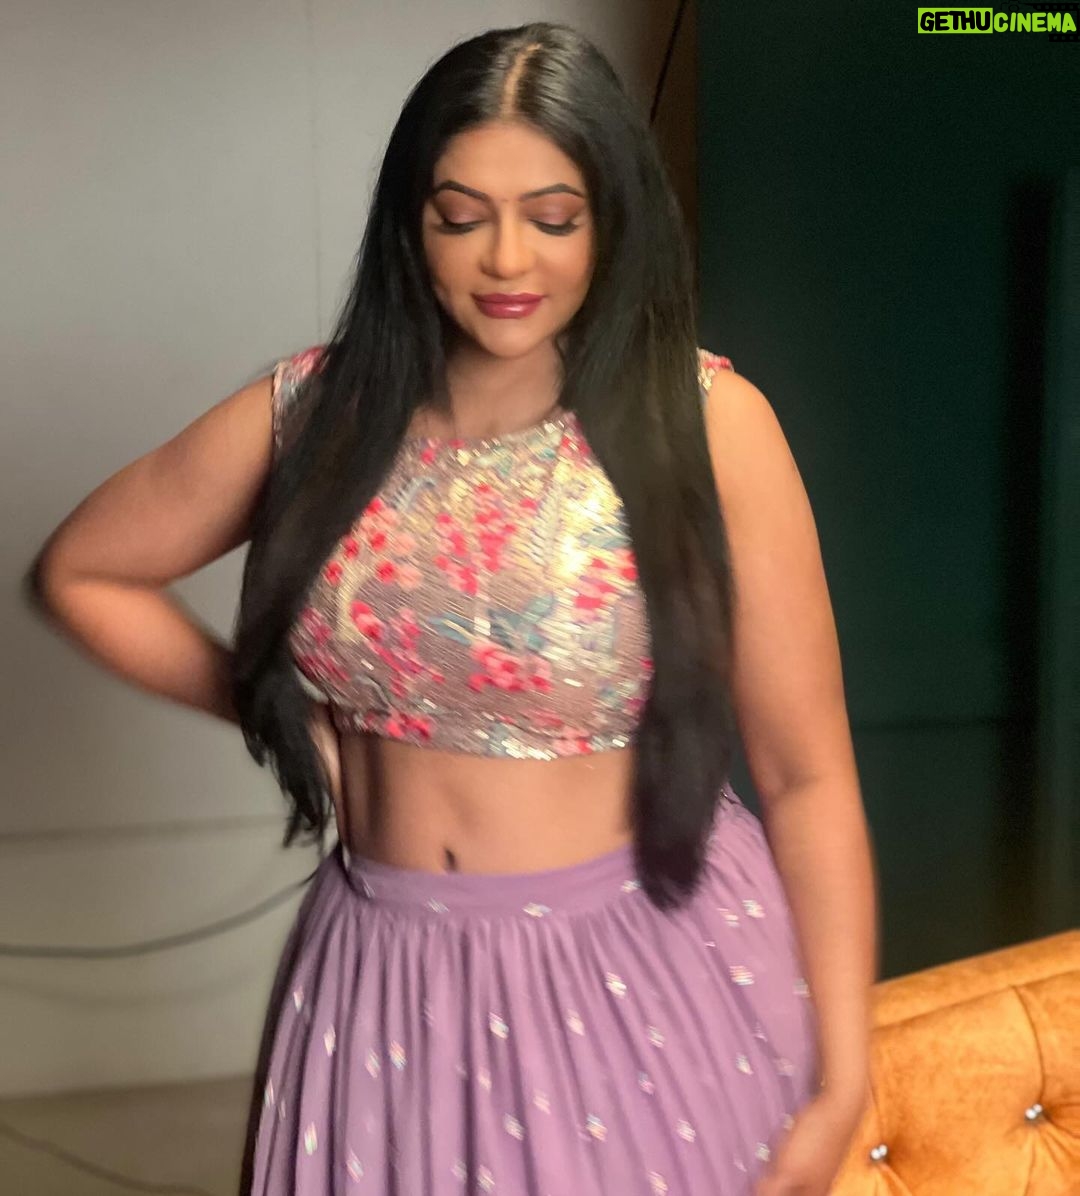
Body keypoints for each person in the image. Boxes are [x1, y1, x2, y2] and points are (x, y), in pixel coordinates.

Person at [27, 20, 877, 1196]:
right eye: (461, 215)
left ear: (613, 220)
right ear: (411, 222)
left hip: (638, 966)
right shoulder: (317, 412)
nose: (506, 259)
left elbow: (805, 774)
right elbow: (83, 570)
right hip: (378, 972)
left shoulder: (708, 424)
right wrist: (275, 709)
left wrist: (845, 1077)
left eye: (554, 216)